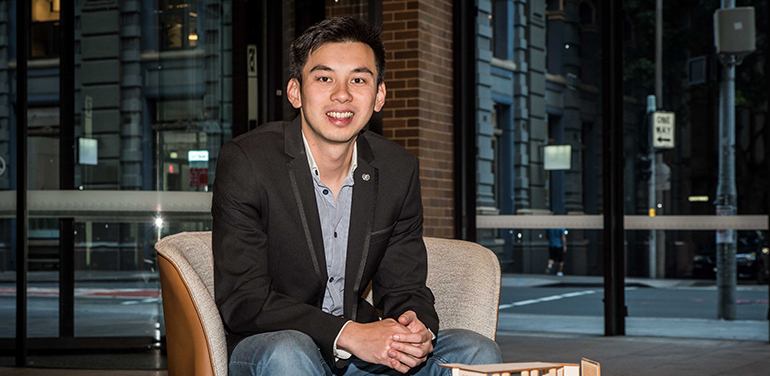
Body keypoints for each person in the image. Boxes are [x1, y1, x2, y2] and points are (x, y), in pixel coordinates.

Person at [212, 16, 502, 376]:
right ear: (295, 92)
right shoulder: (248, 162)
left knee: (475, 351)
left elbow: (405, 286)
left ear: (378, 96)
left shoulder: (398, 169)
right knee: (288, 351)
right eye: (324, 78)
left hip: (361, 353)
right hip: (271, 344)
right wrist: (348, 334)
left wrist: (416, 326)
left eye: (359, 80)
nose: (342, 94)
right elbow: (243, 299)